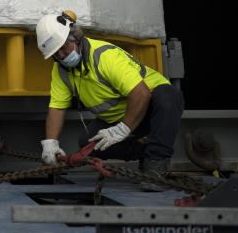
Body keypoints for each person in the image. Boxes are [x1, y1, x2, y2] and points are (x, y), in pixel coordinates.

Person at [35, 10, 183, 191]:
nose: (62, 57)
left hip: (150, 109)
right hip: (120, 118)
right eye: (56, 55)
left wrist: (123, 129)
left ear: (76, 37)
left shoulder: (105, 57)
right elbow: (57, 108)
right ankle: (146, 154)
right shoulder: (61, 72)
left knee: (168, 96)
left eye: (64, 48)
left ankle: (157, 167)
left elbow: (142, 94)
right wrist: (51, 144)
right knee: (87, 144)